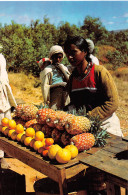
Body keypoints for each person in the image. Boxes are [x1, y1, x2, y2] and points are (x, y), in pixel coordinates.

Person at [63, 35, 123, 137]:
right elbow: (74, 103)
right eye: (67, 54)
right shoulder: (73, 78)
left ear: (85, 52)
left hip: (106, 124)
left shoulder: (99, 72)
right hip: (84, 127)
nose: (70, 57)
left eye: (73, 52)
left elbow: (112, 103)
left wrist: (88, 117)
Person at [40, 45, 70, 110]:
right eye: (55, 57)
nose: (57, 59)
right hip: (54, 98)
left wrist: (62, 71)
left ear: (62, 57)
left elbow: (70, 83)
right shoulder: (47, 70)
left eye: (60, 57)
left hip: (65, 97)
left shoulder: (64, 68)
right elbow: (45, 87)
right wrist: (59, 85)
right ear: (51, 57)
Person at [0, 52, 17, 168]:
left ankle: (7, 151)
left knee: (7, 124)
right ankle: (0, 158)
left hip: (4, 96)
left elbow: (4, 77)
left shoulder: (1, 56)